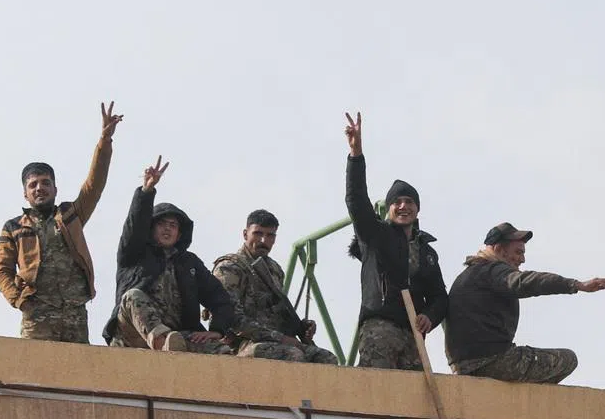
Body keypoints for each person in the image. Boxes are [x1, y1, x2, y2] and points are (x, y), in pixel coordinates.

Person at [0, 102, 123, 343]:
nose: (39, 188)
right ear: (25, 193)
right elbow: (2, 271)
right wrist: (19, 300)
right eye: (33, 185)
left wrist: (104, 142)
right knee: (34, 373)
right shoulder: (13, 227)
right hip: (37, 313)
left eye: (45, 183)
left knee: (76, 375)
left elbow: (94, 185)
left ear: (55, 188)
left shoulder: (70, 216)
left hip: (74, 311)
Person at [445, 223, 605, 384]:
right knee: (568, 359)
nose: (523, 259)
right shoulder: (493, 271)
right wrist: (576, 285)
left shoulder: (469, 275)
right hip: (490, 361)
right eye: (518, 252)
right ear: (498, 249)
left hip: (462, 365)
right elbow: (525, 282)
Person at [343, 111, 447, 370]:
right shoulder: (375, 236)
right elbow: (356, 200)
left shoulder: (427, 253)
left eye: (409, 202)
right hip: (380, 326)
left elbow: (440, 296)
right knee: (374, 391)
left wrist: (430, 317)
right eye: (396, 202)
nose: (403, 206)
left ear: (418, 209)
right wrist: (356, 154)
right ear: (388, 209)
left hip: (413, 333)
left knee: (412, 403)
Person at [103, 158, 237, 354]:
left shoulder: (189, 263)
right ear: (151, 229)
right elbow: (135, 226)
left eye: (173, 225)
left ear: (179, 234)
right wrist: (146, 192)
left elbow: (220, 299)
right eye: (161, 223)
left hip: (177, 338)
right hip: (132, 334)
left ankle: (169, 345)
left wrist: (217, 330)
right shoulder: (134, 253)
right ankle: (161, 342)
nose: (167, 228)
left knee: (223, 353)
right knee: (133, 296)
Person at [211, 210, 339, 364]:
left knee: (326, 358)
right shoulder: (230, 267)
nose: (264, 240)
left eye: (270, 235)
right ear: (245, 234)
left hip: (277, 342)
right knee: (292, 355)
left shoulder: (274, 270)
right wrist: (280, 338)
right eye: (258, 233)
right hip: (242, 344)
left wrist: (300, 328)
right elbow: (231, 318)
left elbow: (276, 312)